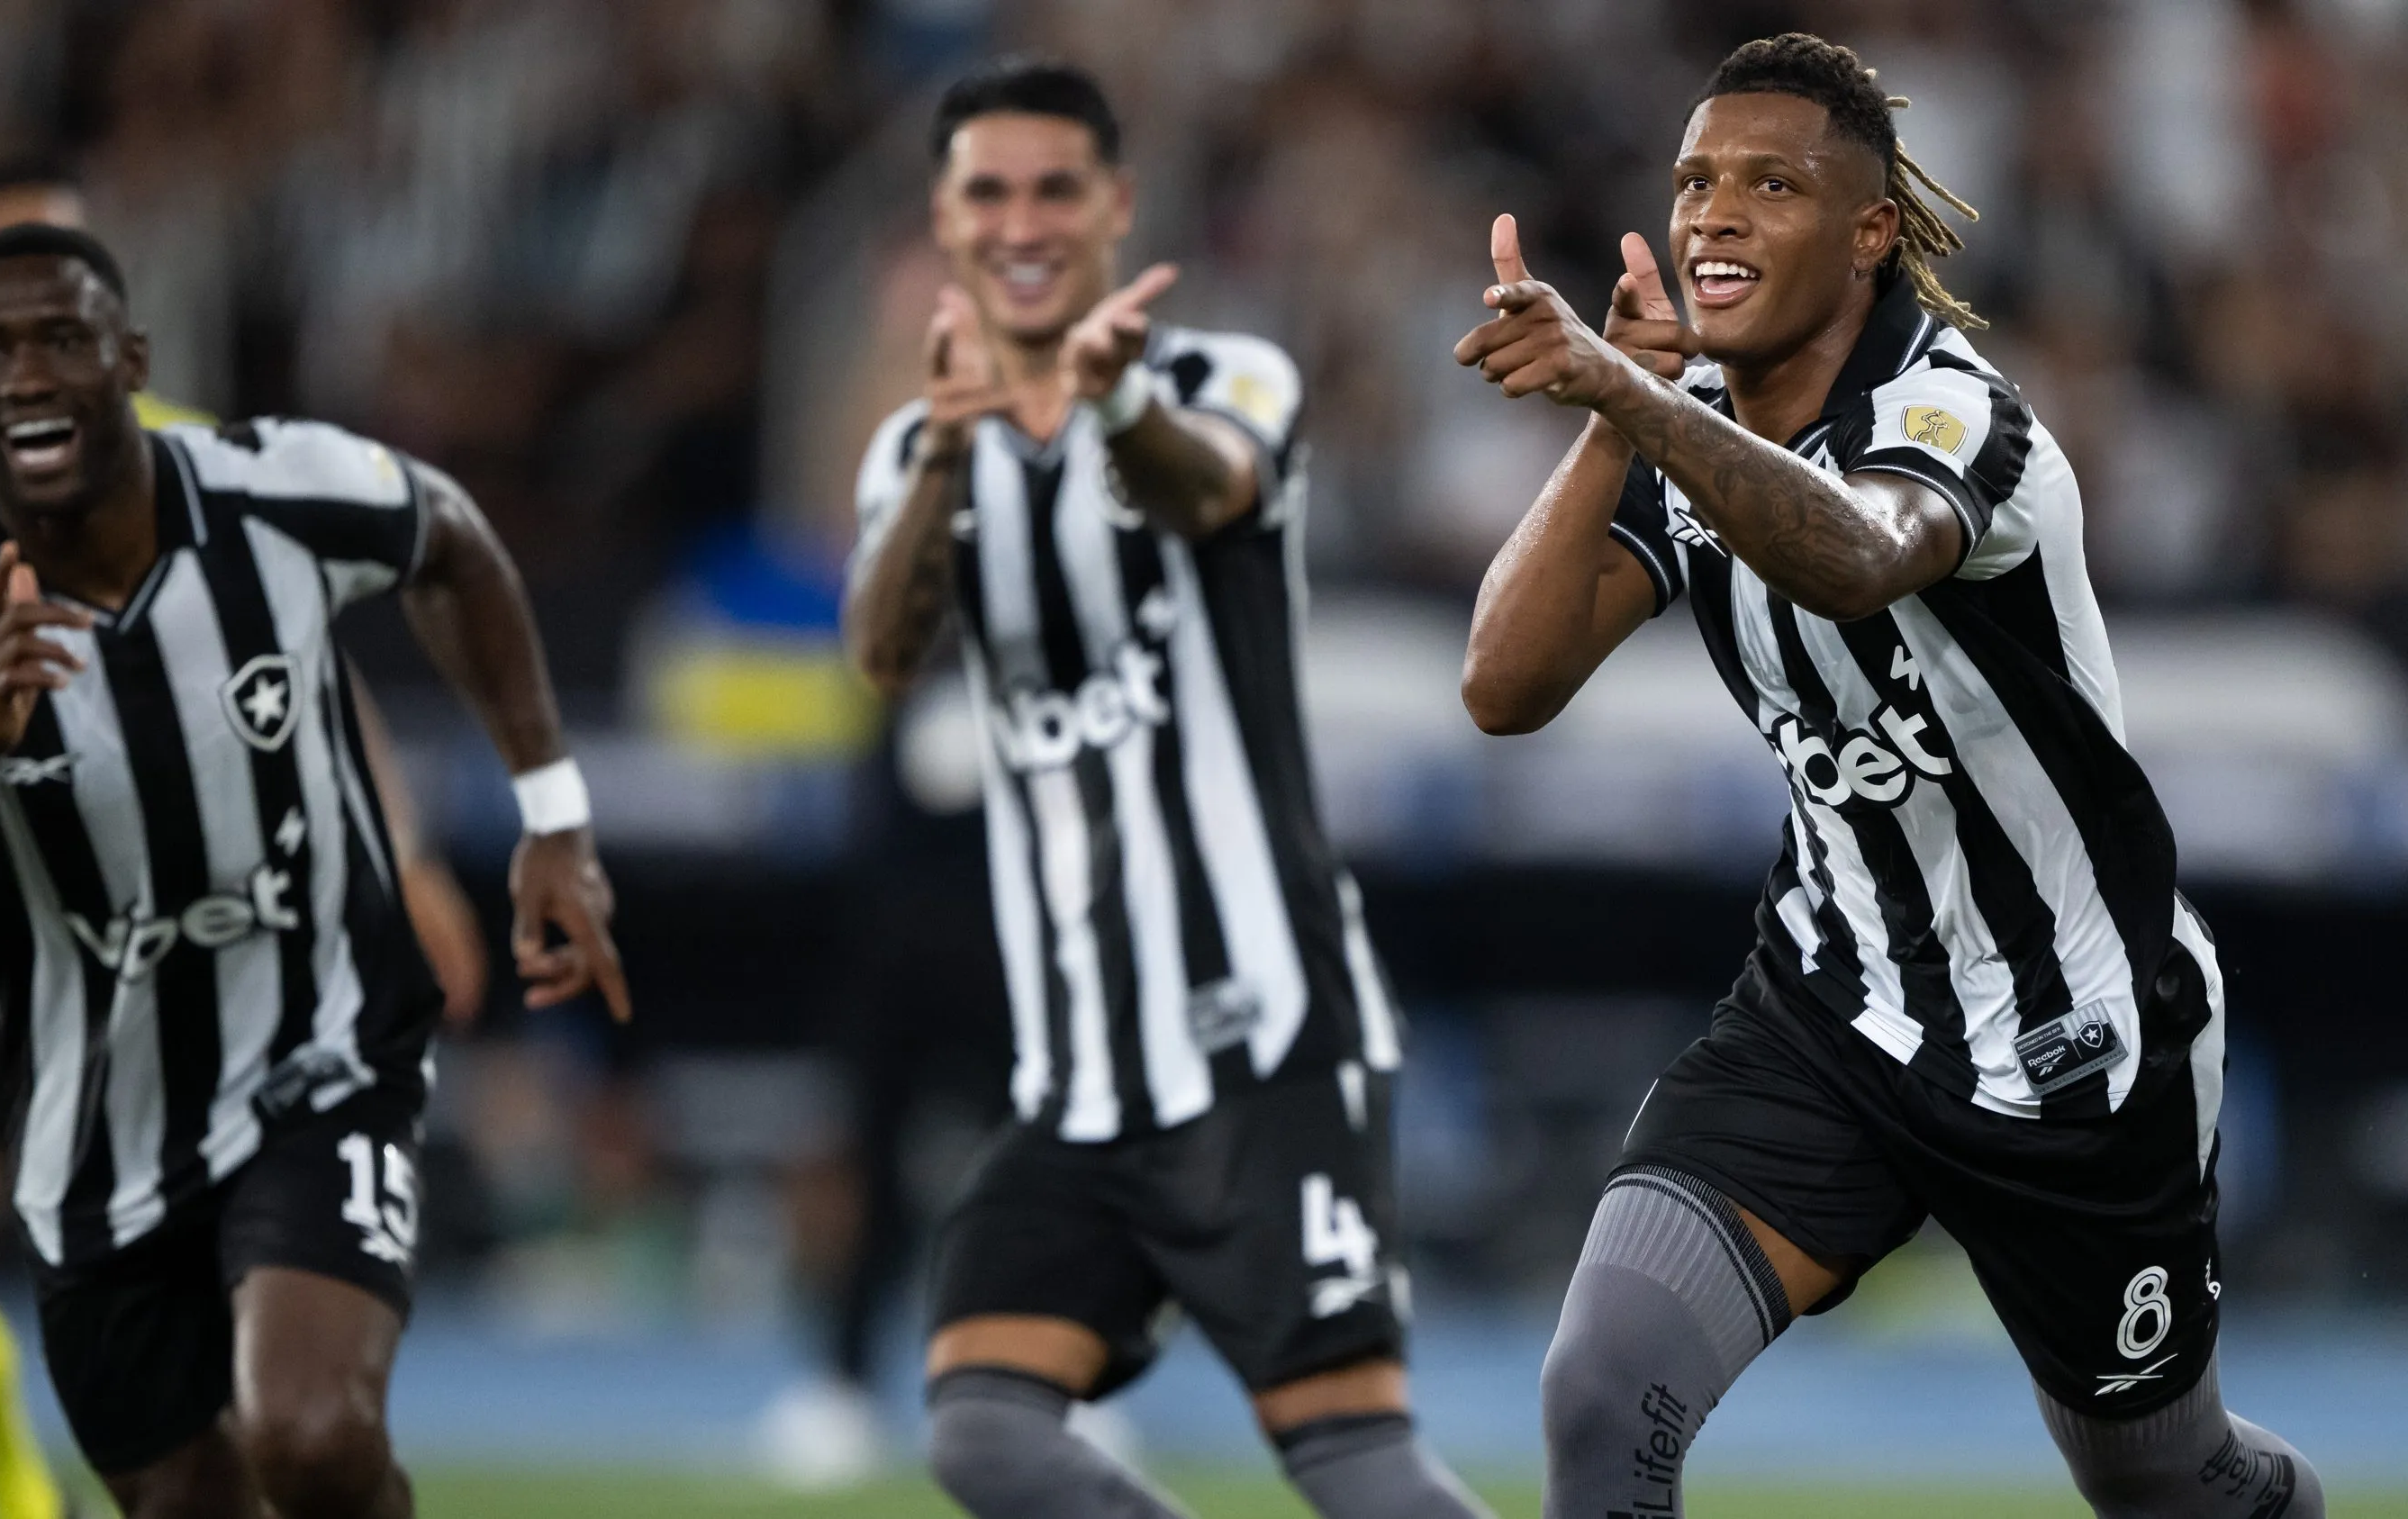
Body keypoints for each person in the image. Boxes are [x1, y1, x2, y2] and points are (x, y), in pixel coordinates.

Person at [1453, 32, 2321, 1519]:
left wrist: (1643, 399)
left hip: (2071, 1044)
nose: (1713, 214)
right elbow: (1503, 685)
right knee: (1602, 1393)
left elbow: (1859, 555)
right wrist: (1619, 412)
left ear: (1870, 234)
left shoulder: (1960, 409)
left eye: (1770, 184)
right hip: (1832, 1005)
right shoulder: (1688, 428)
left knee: (2169, 1482)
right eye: (1695, 182)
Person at [0, 221, 627, 1518]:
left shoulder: (274, 486)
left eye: (61, 339)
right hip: (97, 1135)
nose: (23, 377)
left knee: (311, 1433)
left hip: (322, 1050)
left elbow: (448, 536)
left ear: (132, 358)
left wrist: (553, 818)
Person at [844, 57, 1490, 1519]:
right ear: (945, 222)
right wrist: (949, 452)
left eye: (1055, 186)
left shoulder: (1224, 374)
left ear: (1118, 206)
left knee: (1352, 1456)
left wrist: (1112, 397)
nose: (1023, 219)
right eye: (987, 191)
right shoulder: (915, 450)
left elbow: (1207, 491)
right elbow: (884, 650)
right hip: (1076, 1080)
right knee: (986, 1433)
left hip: (1265, 1046)